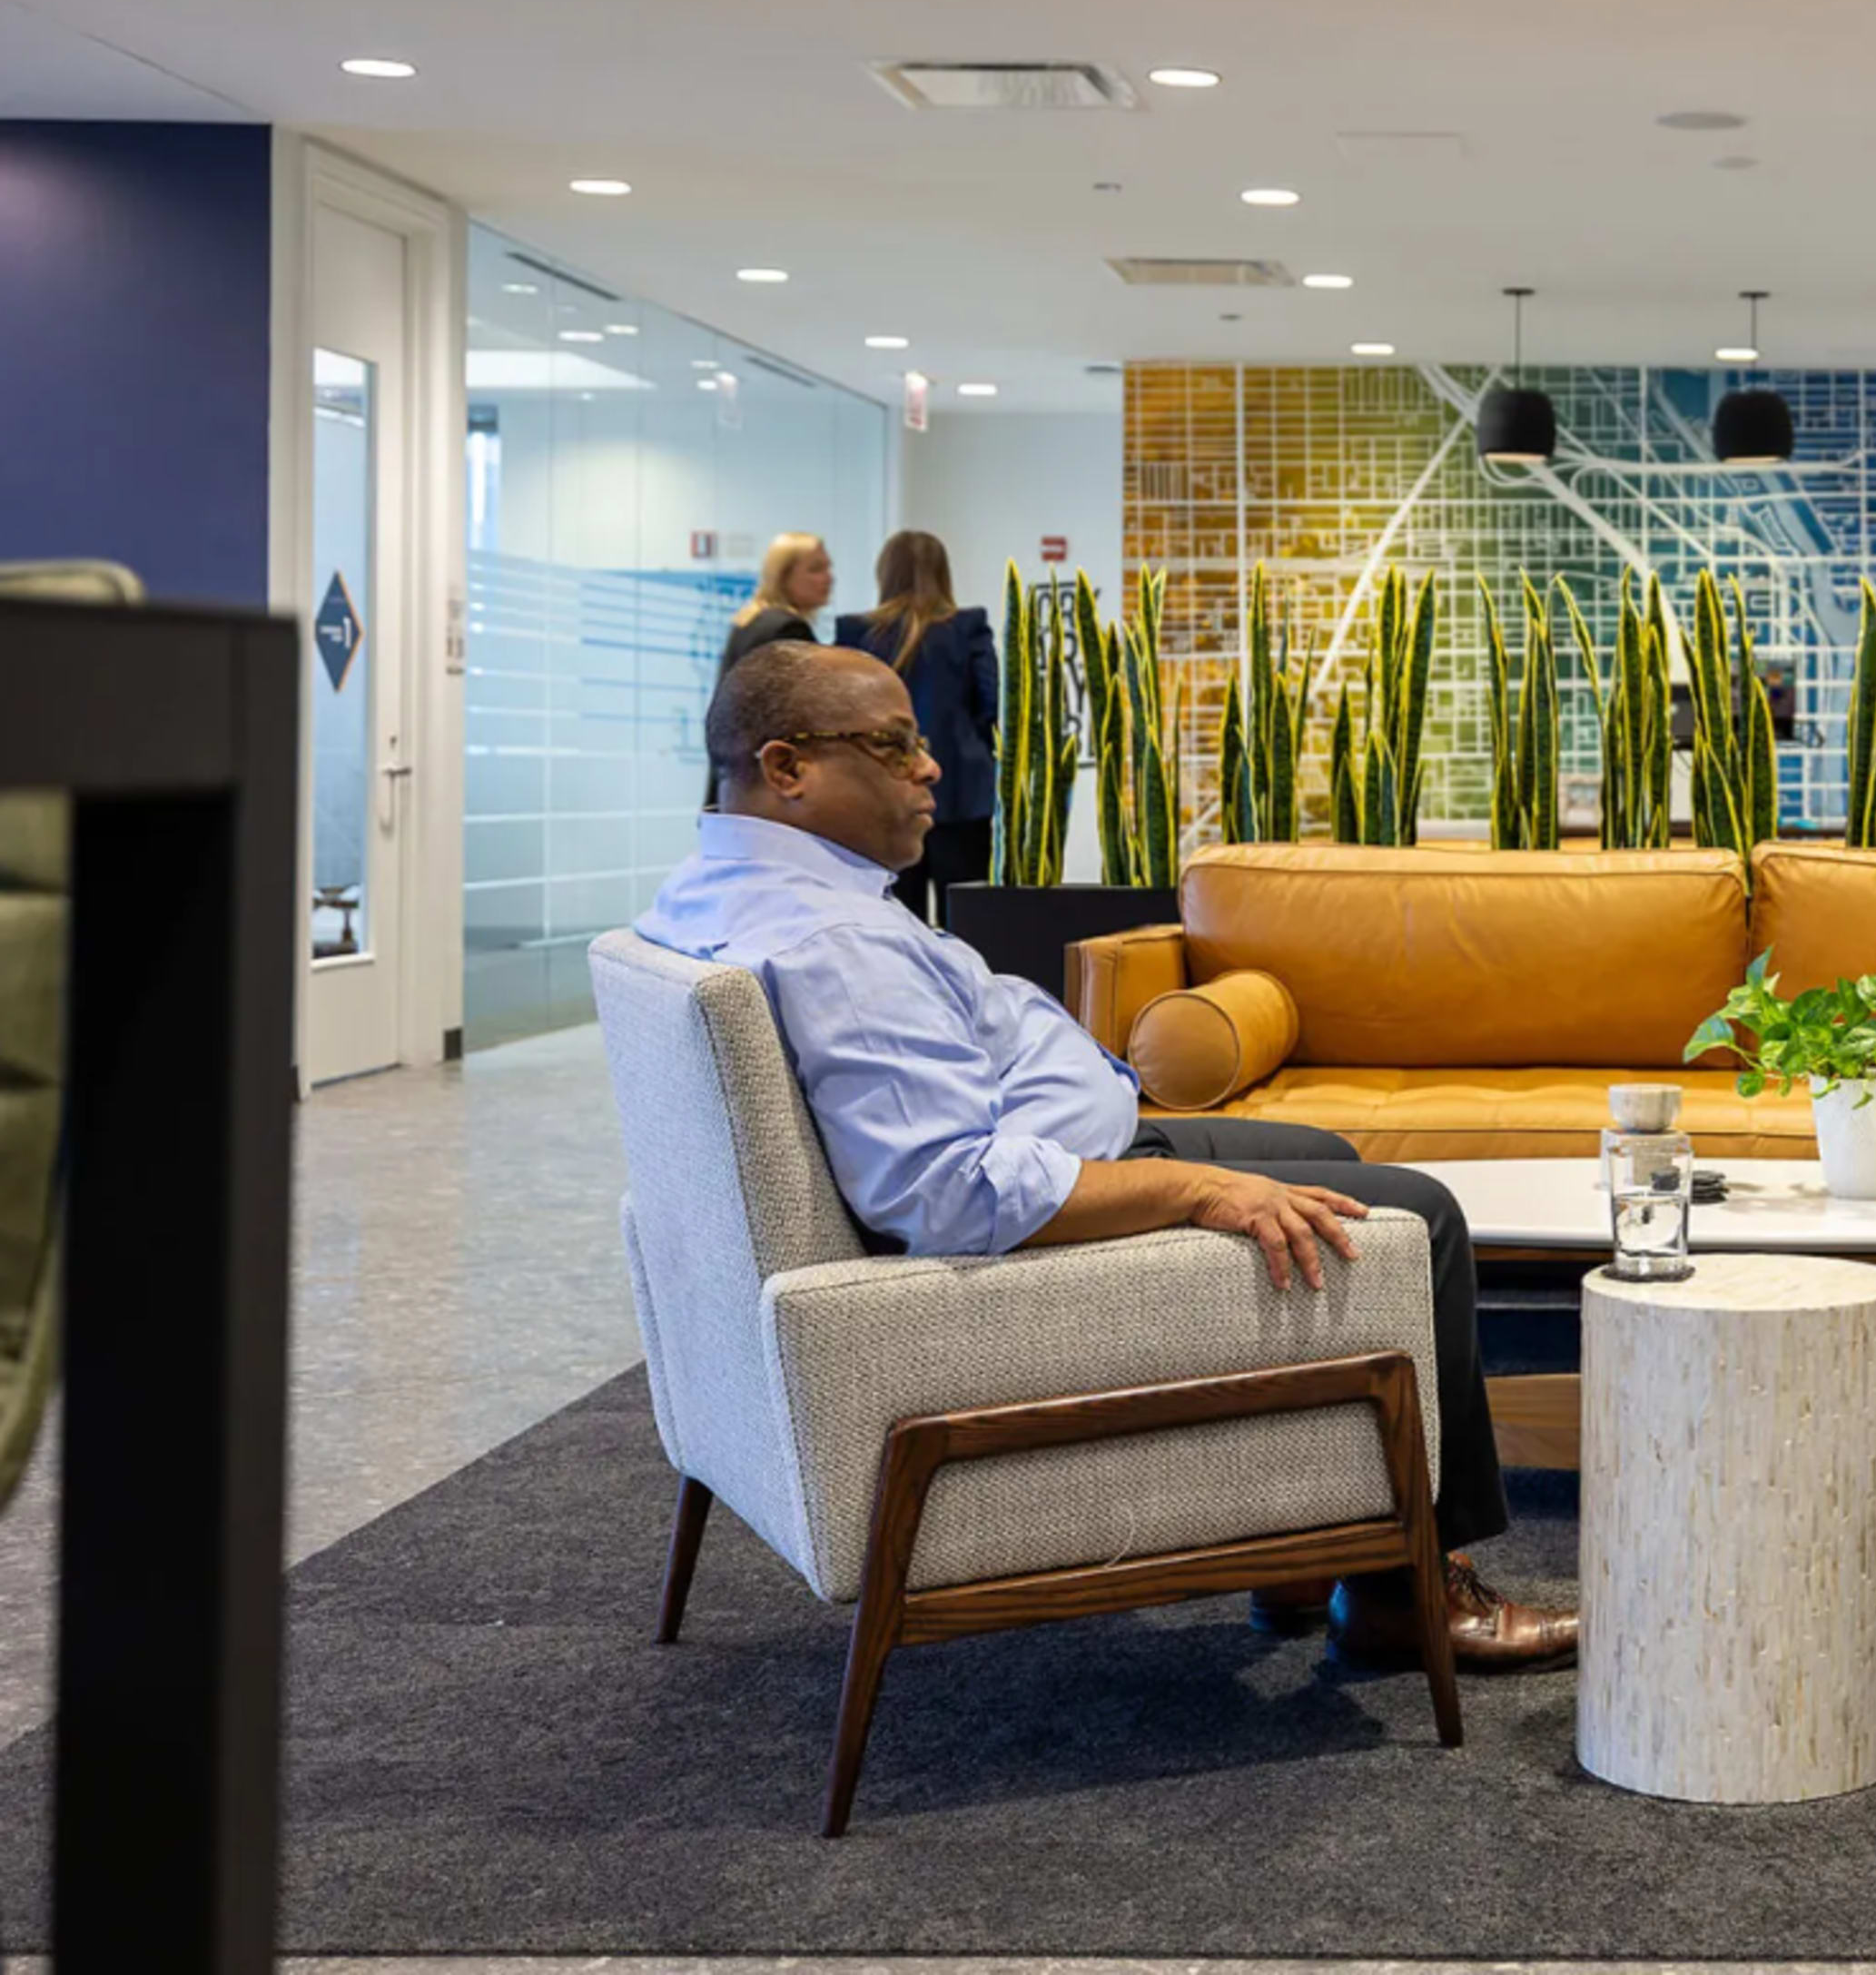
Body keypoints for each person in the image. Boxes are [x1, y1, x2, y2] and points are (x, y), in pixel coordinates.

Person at [636, 642, 1577, 1672]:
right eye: (893, 744)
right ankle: (1413, 1592)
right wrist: (1189, 1185)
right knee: (1415, 1217)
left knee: (1319, 1152)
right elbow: (955, 1194)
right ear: (787, 769)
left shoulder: (718, 889)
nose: (933, 767)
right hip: (1033, 1217)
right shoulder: (834, 941)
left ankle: (1323, 1537)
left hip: (1075, 1146)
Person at [834, 531, 997, 925]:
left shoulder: (855, 633)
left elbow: (842, 712)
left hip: (881, 793)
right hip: (961, 796)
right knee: (966, 921)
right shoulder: (967, 627)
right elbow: (990, 705)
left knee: (893, 916)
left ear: (884, 573)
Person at [705, 532, 837, 809]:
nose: (828, 578)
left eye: (828, 567)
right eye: (815, 569)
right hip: (766, 786)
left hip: (736, 781)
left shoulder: (750, 620)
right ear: (783, 576)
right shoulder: (787, 629)